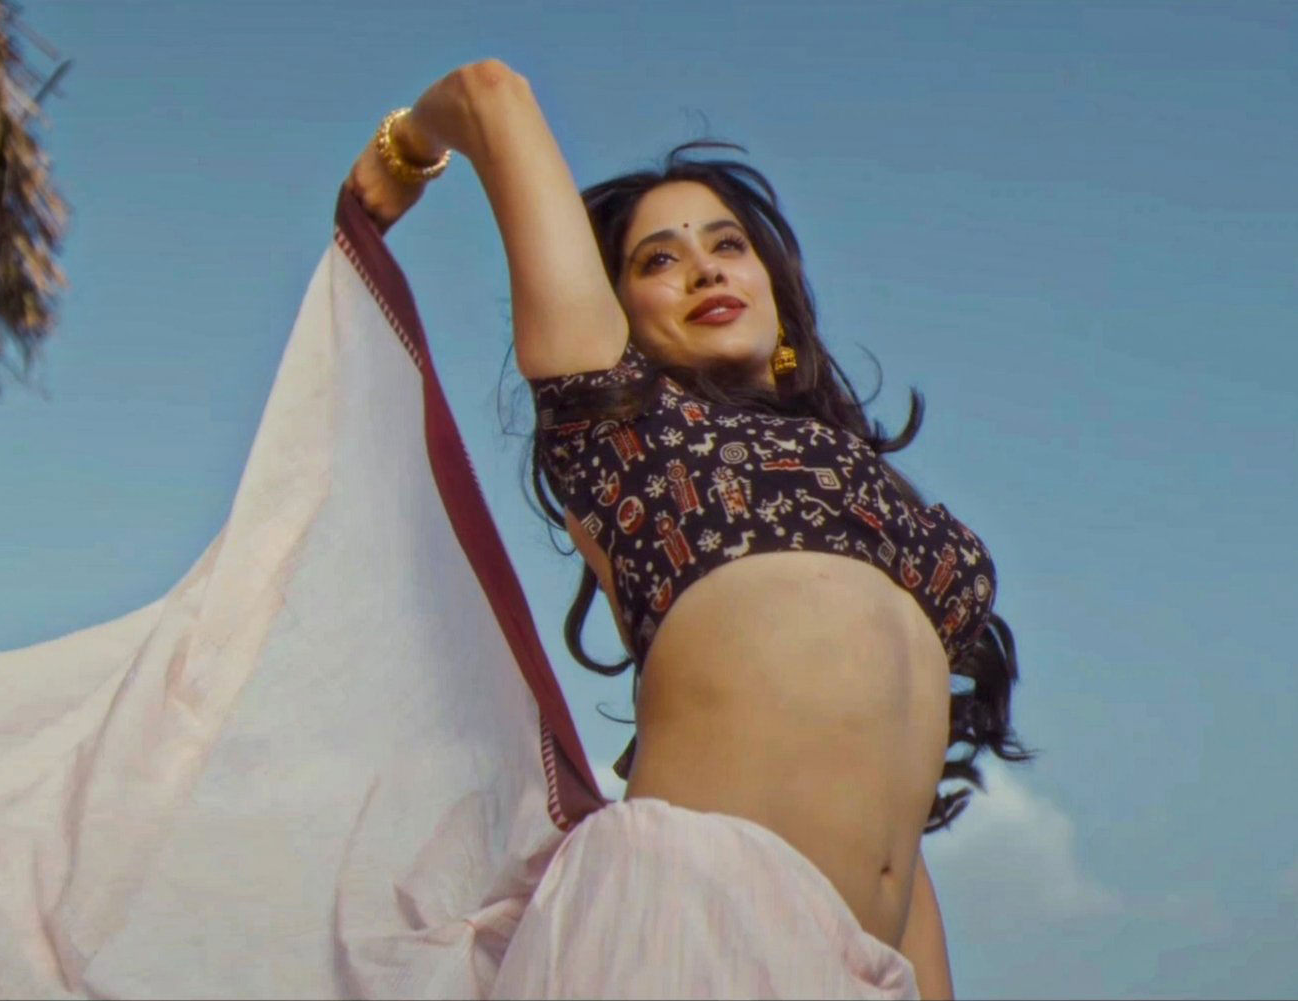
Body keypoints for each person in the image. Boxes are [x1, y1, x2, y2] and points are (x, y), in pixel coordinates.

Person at [346, 59, 1034, 1000]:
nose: (704, 267)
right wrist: (403, 154)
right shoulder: (622, 428)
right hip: (685, 930)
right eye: (657, 260)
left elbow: (894, 831)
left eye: (727, 244)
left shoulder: (879, 493)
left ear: (777, 294)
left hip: (860, 967)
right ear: (614, 311)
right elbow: (489, 93)